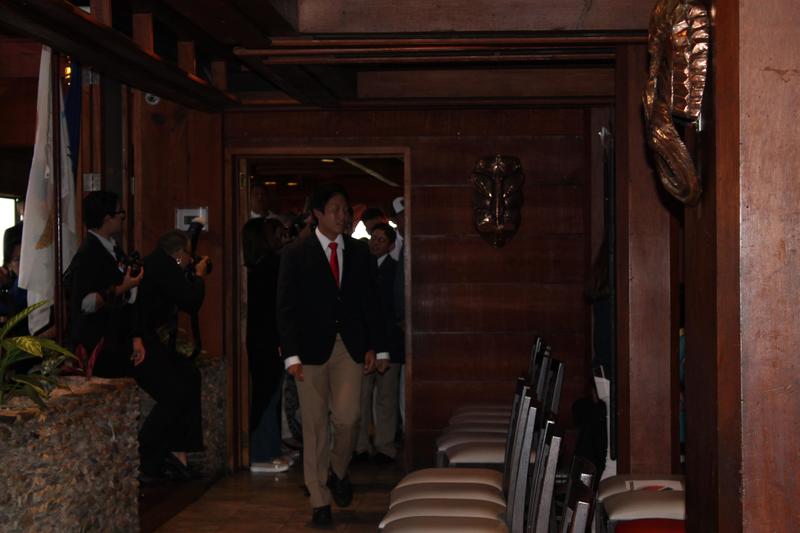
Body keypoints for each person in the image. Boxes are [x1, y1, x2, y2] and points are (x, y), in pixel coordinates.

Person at [276, 183, 385, 528]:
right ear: (317, 214)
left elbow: (371, 302)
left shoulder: (359, 251)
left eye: (345, 209)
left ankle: (338, 471)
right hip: (308, 351)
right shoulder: (296, 252)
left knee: (349, 418)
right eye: (336, 209)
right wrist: (290, 355)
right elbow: (285, 307)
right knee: (314, 426)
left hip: (349, 346)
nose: (343, 215)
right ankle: (319, 500)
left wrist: (377, 346)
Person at [138, 229, 209, 481]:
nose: (190, 260)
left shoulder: (159, 264)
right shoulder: (164, 267)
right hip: (139, 342)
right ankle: (146, 455)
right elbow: (190, 301)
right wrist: (199, 276)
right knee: (174, 393)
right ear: (179, 254)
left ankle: (179, 453)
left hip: (150, 340)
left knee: (189, 375)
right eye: (189, 255)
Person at [65, 191, 145, 379]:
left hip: (116, 337)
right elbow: (84, 304)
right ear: (107, 218)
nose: (122, 217)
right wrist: (122, 288)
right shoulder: (88, 254)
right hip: (98, 345)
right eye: (120, 213)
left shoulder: (111, 247)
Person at [242, 217, 290, 473]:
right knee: (267, 393)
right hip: (268, 338)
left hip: (261, 337)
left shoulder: (259, 267)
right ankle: (261, 452)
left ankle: (270, 449)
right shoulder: (269, 266)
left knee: (269, 393)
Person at [355, 223, 404, 464]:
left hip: (390, 342)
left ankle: (385, 446)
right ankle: (360, 446)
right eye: (373, 238)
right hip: (364, 345)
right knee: (361, 398)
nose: (375, 243)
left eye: (381, 240)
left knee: (386, 397)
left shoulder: (395, 271)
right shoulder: (361, 270)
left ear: (391, 246)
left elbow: (393, 310)